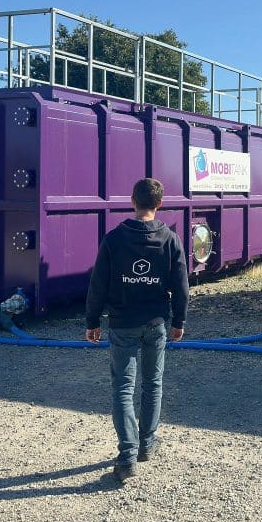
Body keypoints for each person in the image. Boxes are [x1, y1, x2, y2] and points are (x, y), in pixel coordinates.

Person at [85, 178, 189, 482]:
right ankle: (146, 444)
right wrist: (179, 321)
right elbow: (181, 286)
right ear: (160, 204)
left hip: (122, 324)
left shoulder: (114, 239)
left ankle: (127, 457)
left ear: (132, 201)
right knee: (152, 384)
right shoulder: (170, 239)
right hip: (156, 323)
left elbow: (98, 285)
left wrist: (92, 321)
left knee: (123, 388)